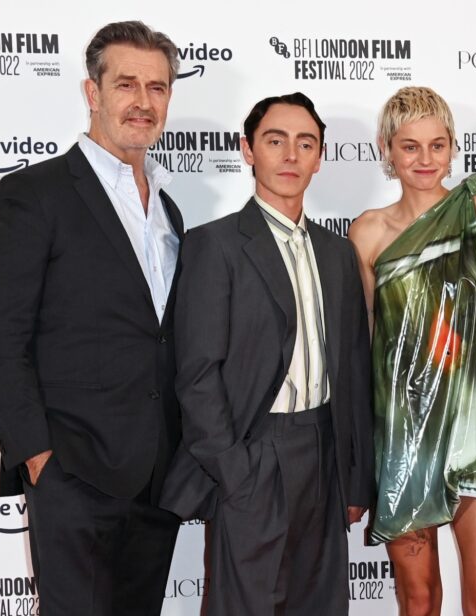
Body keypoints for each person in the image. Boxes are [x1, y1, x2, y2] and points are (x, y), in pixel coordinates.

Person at [0, 21, 184, 616]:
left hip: (157, 477)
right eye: (126, 84)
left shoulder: (169, 209)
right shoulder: (35, 193)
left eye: (158, 87)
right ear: (93, 93)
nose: (143, 102)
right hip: (74, 472)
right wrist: (39, 458)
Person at [158, 92, 374, 616]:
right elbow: (197, 373)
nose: (290, 156)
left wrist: (354, 474)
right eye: (275, 141)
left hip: (323, 453)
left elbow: (353, 371)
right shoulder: (216, 245)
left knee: (320, 604)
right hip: (256, 453)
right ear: (248, 150)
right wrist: (234, 469)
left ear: (320, 158)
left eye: (306, 144)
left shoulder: (337, 251)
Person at [349, 86, 476, 615]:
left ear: (453, 148)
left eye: (437, 145)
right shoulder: (367, 232)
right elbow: (369, 345)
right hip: (404, 436)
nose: (425, 159)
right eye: (410, 146)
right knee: (418, 599)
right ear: (386, 148)